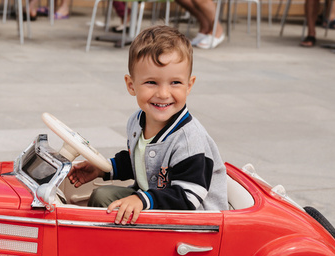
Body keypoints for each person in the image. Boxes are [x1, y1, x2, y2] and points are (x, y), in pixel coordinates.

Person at [67, 25, 228, 225]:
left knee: (119, 208)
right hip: (155, 202)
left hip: (193, 222)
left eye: (175, 83)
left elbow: (188, 197)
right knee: (102, 197)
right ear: (131, 85)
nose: (163, 93)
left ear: (189, 85)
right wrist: (102, 169)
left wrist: (142, 200)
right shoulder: (136, 121)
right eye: (151, 82)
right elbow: (138, 160)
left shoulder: (189, 140)